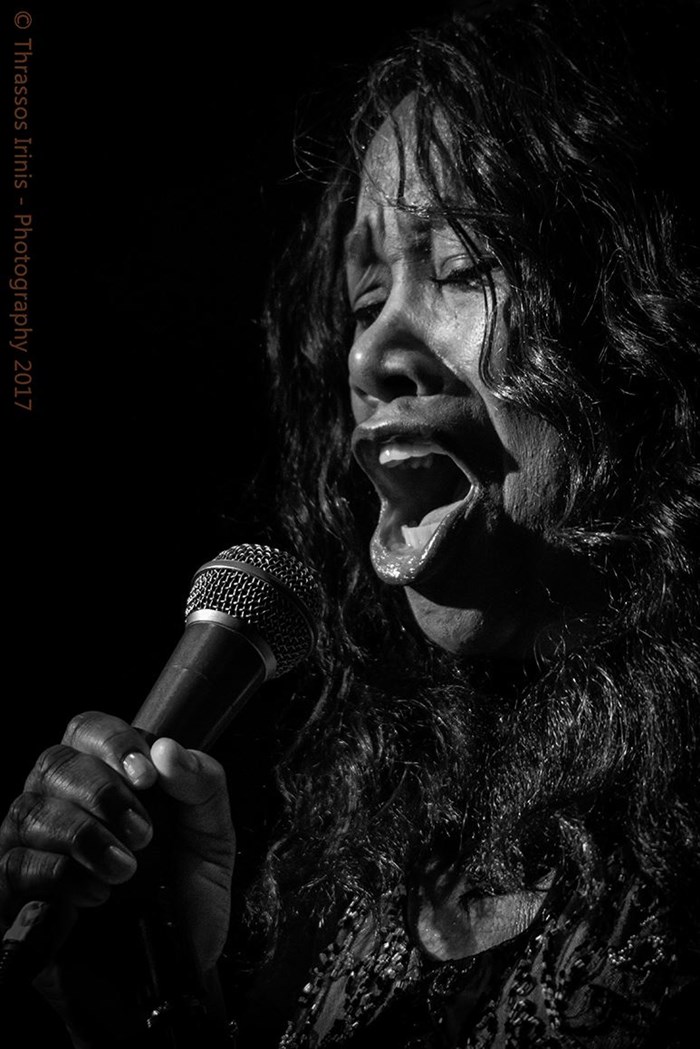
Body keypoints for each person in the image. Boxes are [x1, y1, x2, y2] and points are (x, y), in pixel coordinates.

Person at [2, 0, 700, 1044]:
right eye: (365, 299)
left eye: (463, 266)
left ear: (638, 325)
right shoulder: (373, 855)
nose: (372, 355)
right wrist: (156, 986)